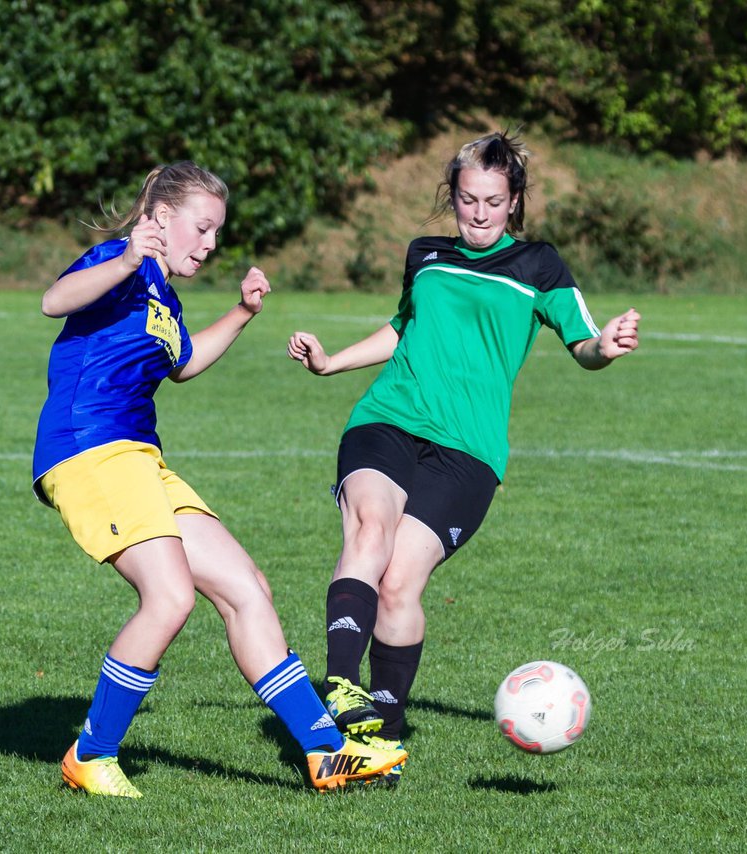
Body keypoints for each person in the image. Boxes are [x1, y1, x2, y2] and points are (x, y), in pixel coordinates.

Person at [32, 161, 406, 798]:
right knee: (170, 597)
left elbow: (181, 363)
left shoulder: (161, 294)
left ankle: (325, 752)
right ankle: (90, 755)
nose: (209, 245)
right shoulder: (116, 261)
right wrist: (124, 260)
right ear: (160, 218)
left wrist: (241, 312)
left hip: (140, 458)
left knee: (246, 587)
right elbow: (52, 301)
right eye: (202, 229)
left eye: (216, 233)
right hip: (86, 450)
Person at [286, 131, 641, 784]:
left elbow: (582, 342)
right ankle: (339, 683)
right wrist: (333, 362)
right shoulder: (426, 254)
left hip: (469, 453)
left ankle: (376, 747)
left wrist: (606, 345)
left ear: (514, 203)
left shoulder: (539, 265)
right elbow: (403, 328)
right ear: (451, 196)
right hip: (387, 420)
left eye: (493, 202)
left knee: (400, 584)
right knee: (372, 528)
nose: (478, 214)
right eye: (467, 199)